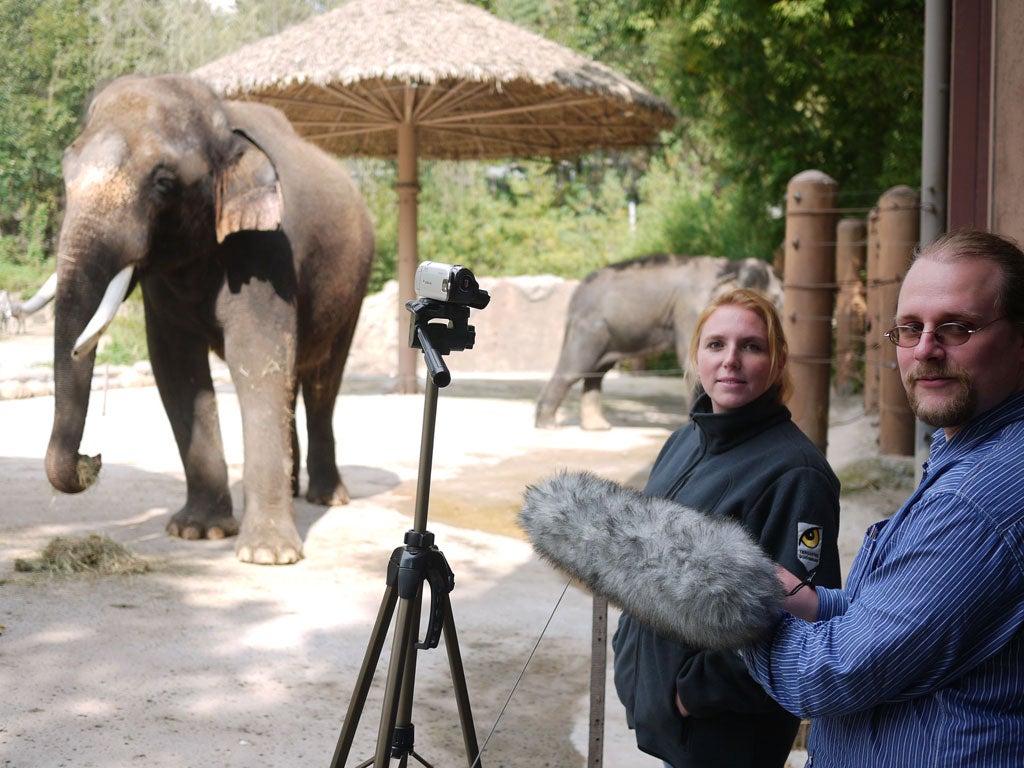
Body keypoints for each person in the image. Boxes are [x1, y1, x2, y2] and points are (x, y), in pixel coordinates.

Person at [745, 228, 1024, 766]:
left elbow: (828, 675)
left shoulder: (980, 500)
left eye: (956, 328)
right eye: (909, 328)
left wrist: (719, 599)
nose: (925, 349)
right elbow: (917, 618)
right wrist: (814, 602)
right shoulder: (969, 453)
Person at [612, 287, 842, 768]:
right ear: (696, 357)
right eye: (716, 344)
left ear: (777, 364)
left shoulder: (796, 473)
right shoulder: (683, 441)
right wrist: (632, 655)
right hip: (673, 726)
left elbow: (797, 615)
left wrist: (690, 694)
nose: (731, 360)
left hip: (726, 733)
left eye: (751, 346)